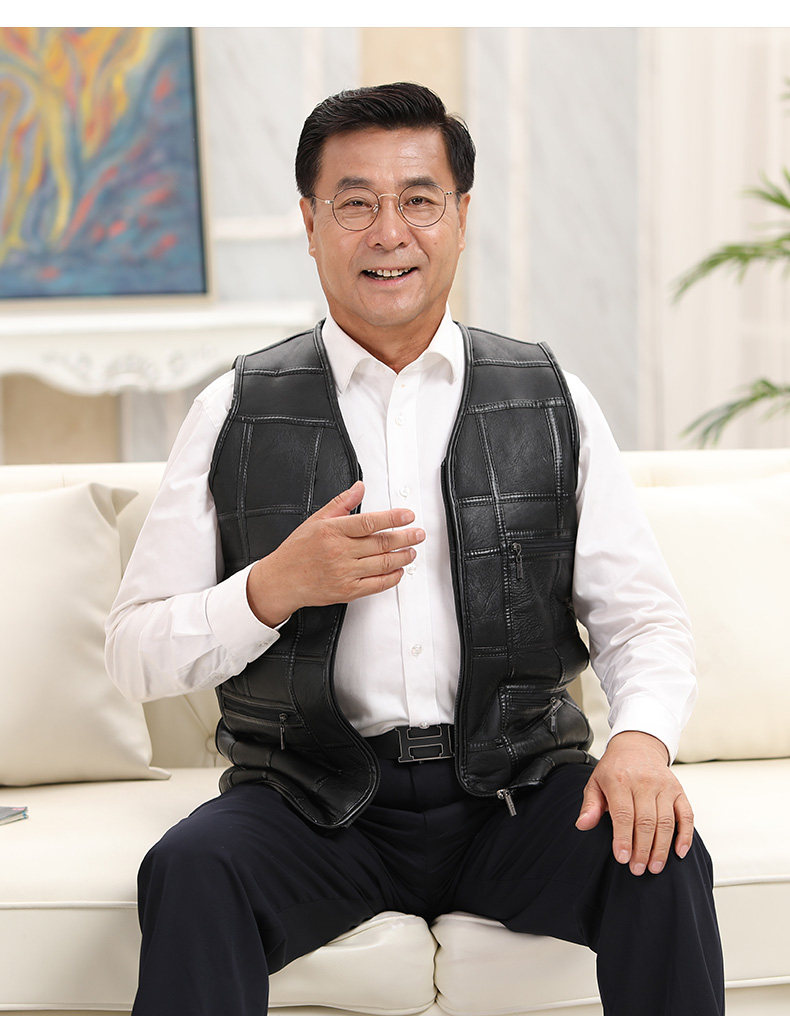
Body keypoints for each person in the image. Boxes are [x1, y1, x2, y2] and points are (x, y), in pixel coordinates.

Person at [105, 82, 724, 1016]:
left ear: (461, 217)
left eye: (418, 200)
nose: (389, 231)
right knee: (192, 867)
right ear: (310, 223)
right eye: (355, 203)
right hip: (310, 799)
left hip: (515, 791)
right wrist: (271, 587)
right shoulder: (233, 408)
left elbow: (642, 621)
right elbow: (132, 652)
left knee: (661, 852)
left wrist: (640, 742)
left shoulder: (550, 395)